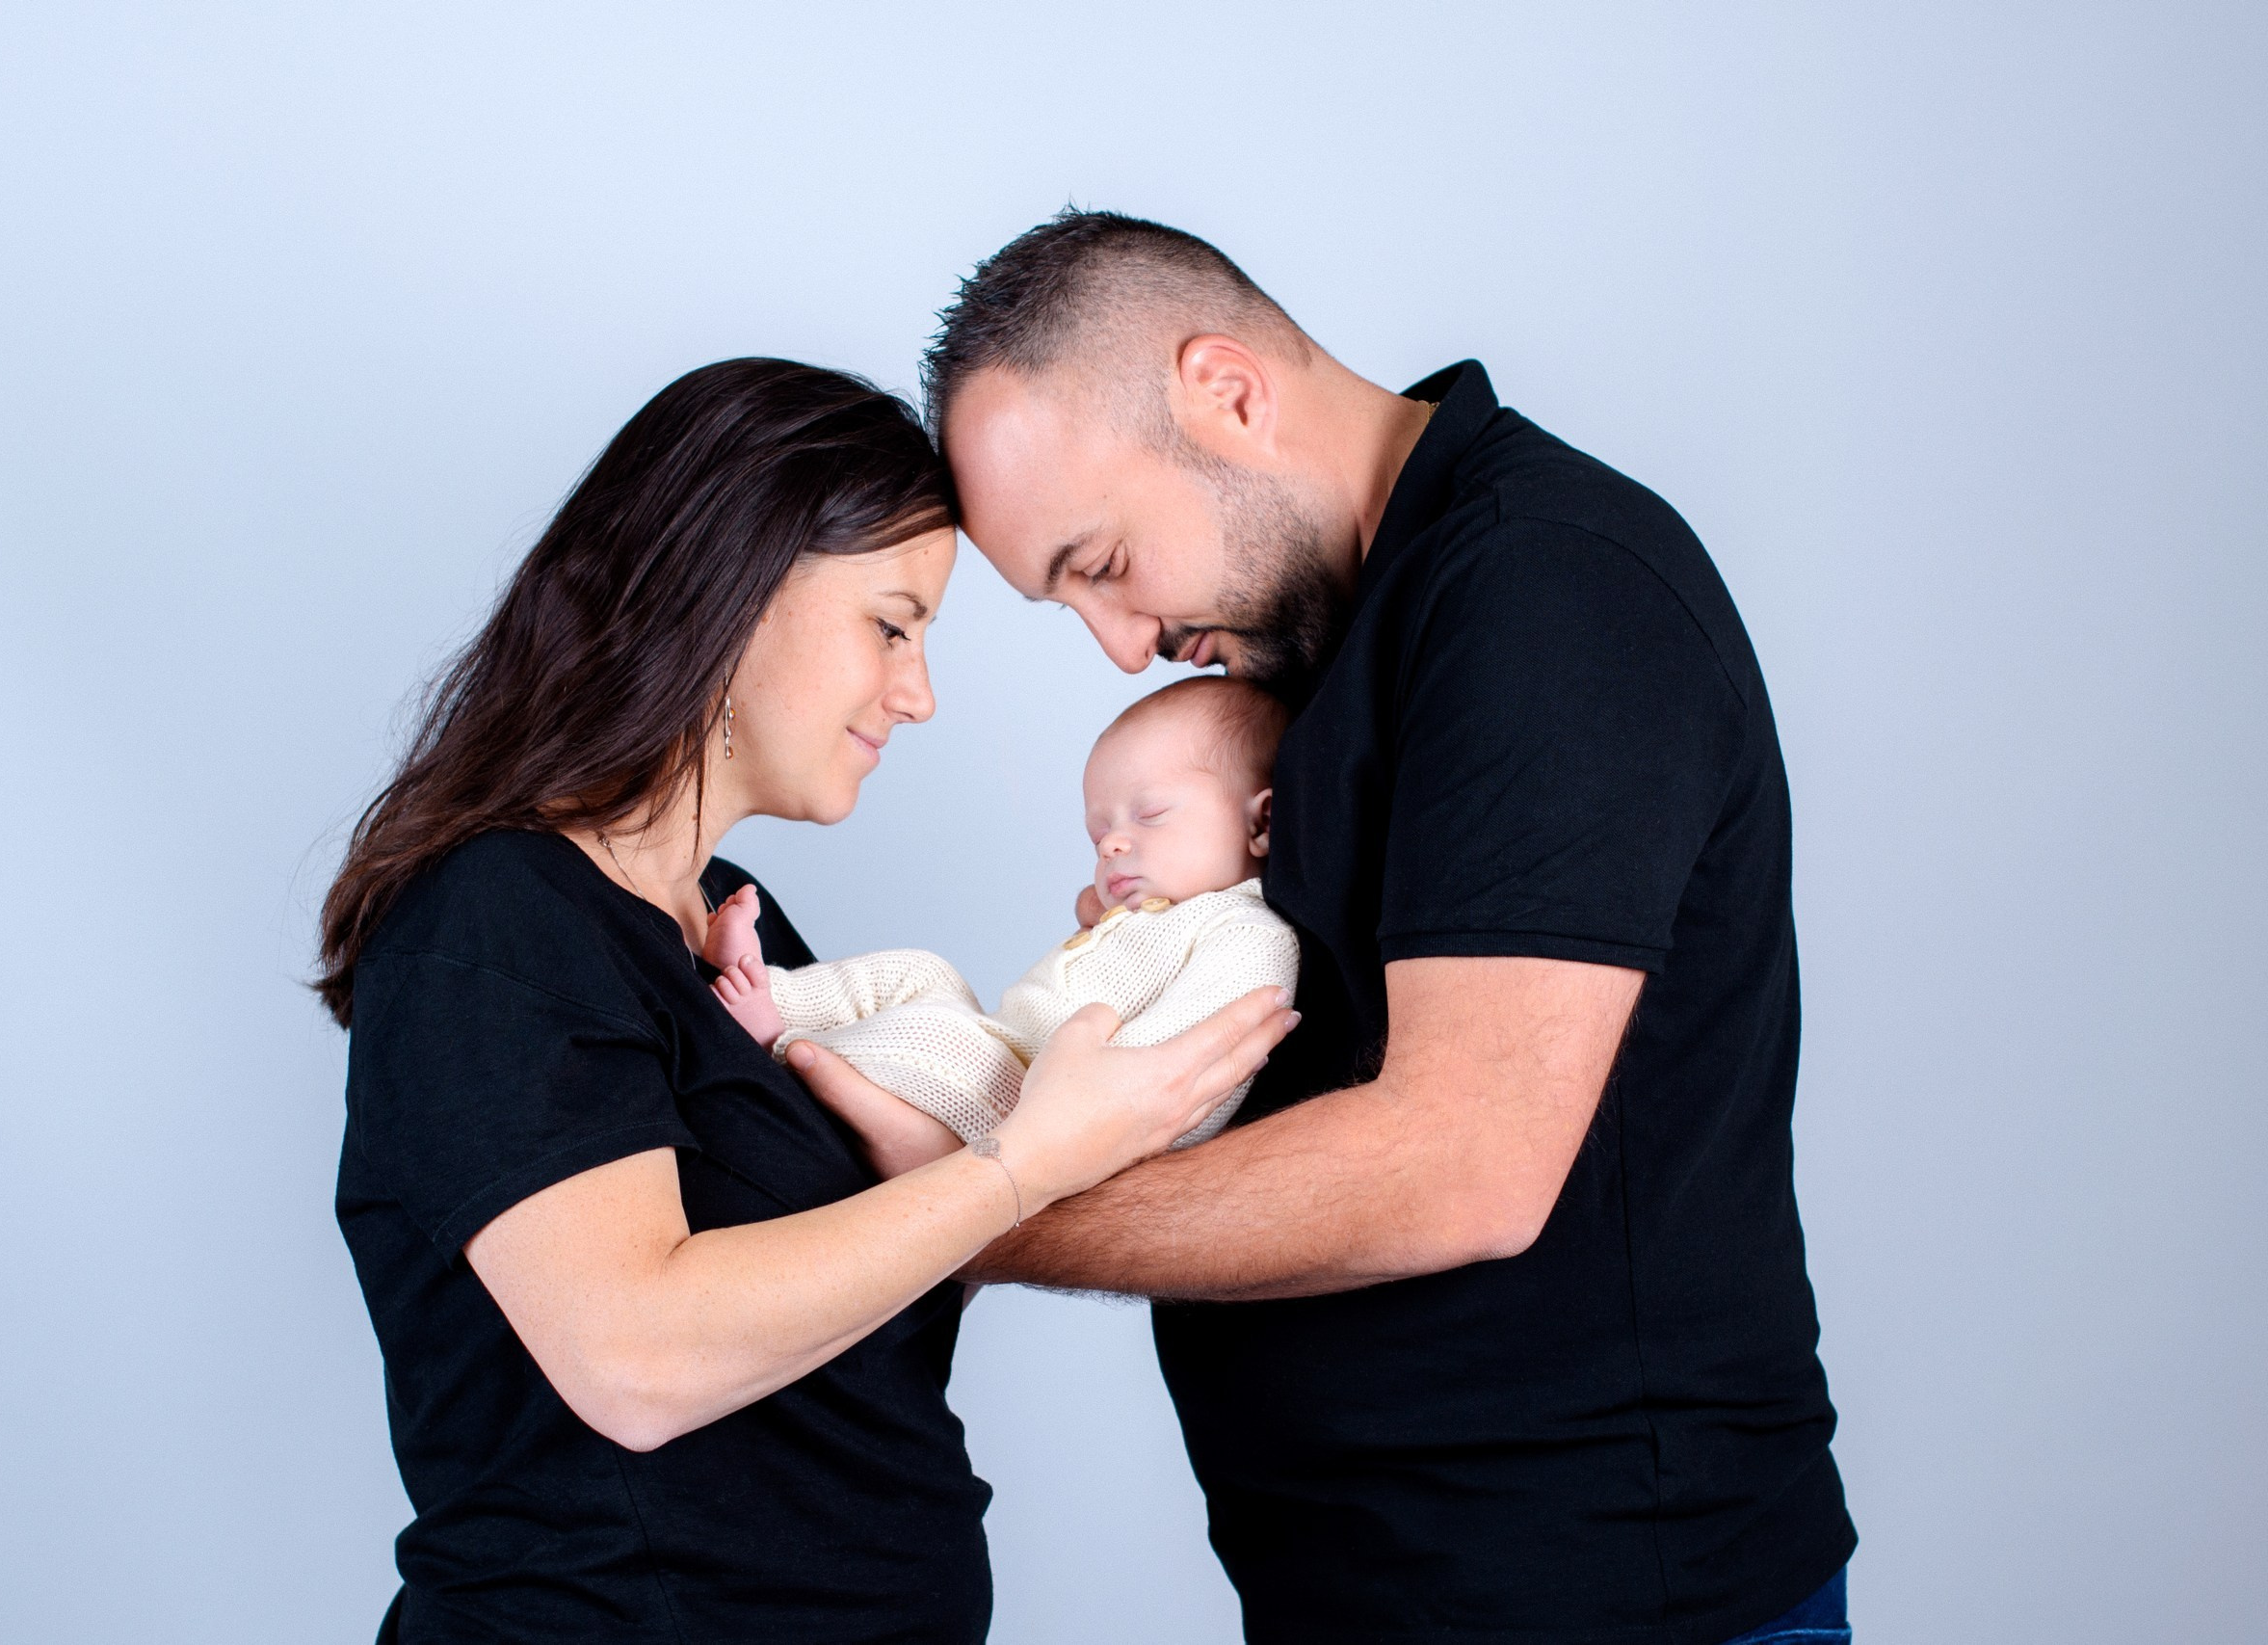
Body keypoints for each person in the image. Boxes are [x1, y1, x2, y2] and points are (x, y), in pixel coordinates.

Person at [790, 213, 1858, 1644]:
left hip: (1608, 1599)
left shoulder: (1545, 590)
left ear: (1228, 391)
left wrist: (963, 1207)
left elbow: (1465, 1163)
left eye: (1100, 561)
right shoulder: (1340, 642)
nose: (1117, 645)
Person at [317, 357, 1295, 1644]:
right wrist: (1014, 1167)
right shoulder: (497, 918)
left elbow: (862, 1287)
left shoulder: (734, 918)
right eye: (891, 623)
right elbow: (637, 1356)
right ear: (723, 590)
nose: (919, 692)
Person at [709, 675, 1299, 1146]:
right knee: (924, 974)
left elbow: (1186, 1078)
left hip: (1041, 1111)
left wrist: (1063, 1116)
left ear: (1261, 822)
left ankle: (779, 1043)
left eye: (1148, 816)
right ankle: (767, 990)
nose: (1112, 844)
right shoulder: (1146, 914)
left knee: (940, 1037)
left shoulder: (1248, 935)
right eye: (1099, 833)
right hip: (1009, 1047)